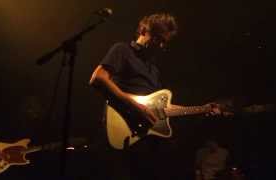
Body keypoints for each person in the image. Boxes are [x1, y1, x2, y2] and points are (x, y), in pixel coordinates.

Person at [89, 12, 222, 180]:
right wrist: (135, 106)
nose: (160, 45)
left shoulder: (153, 70)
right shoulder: (122, 50)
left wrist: (202, 109)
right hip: (121, 130)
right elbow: (98, 78)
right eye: (157, 38)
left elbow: (163, 109)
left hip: (143, 140)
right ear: (144, 30)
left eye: (164, 42)